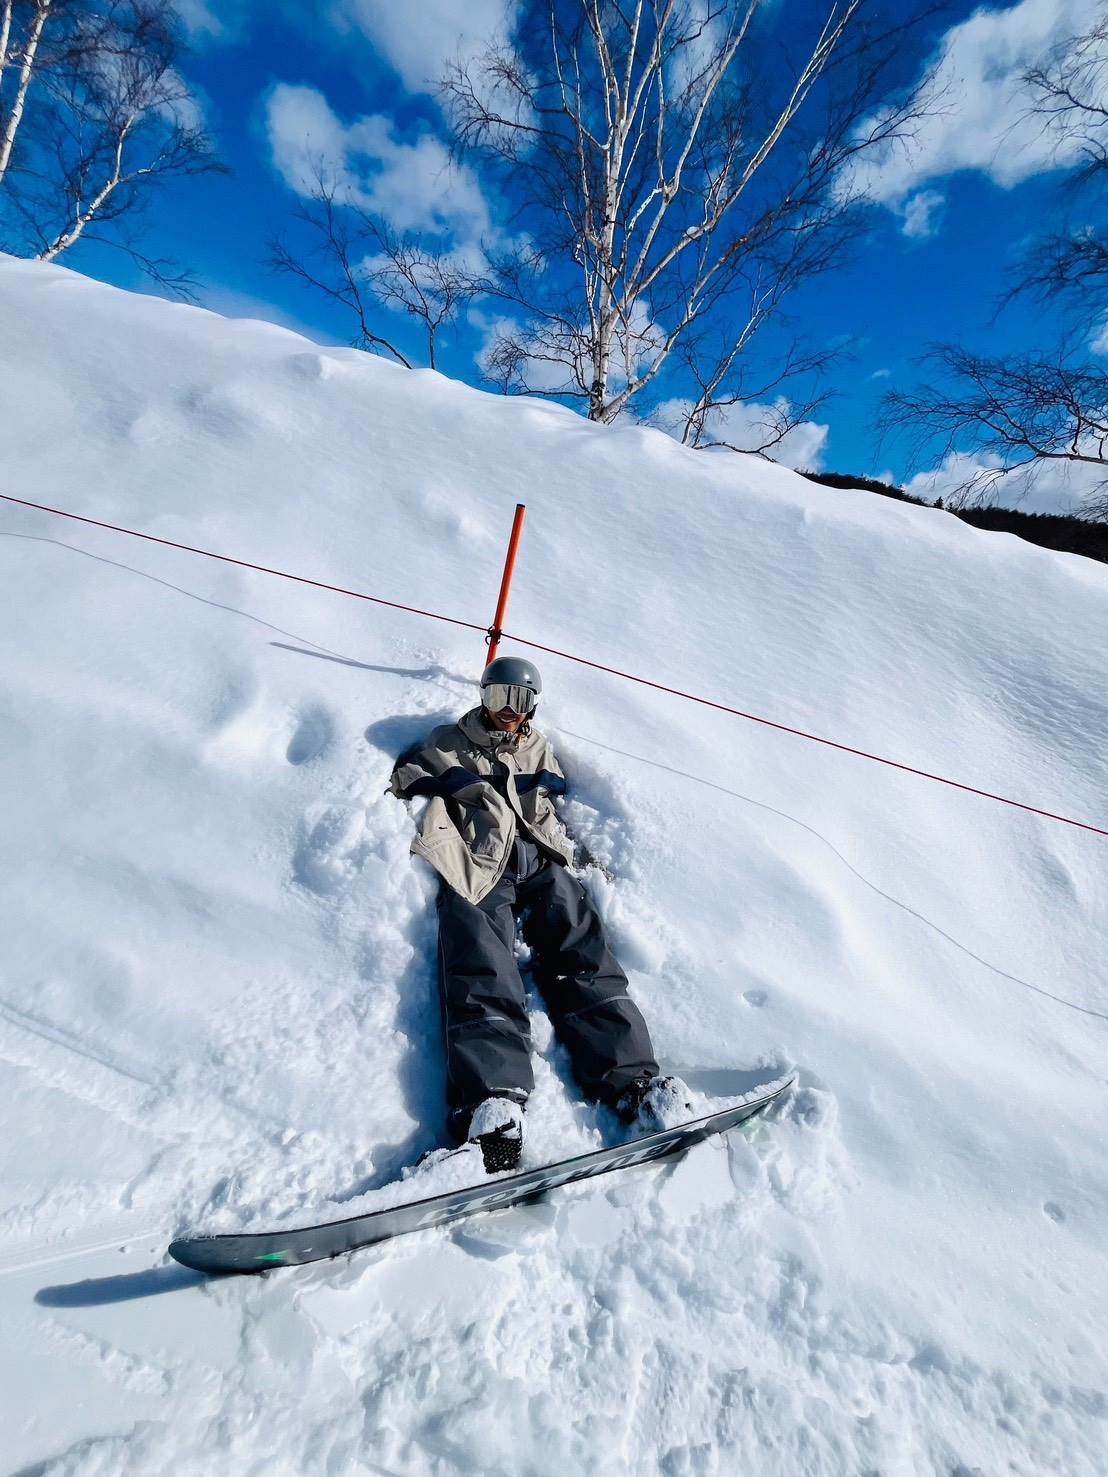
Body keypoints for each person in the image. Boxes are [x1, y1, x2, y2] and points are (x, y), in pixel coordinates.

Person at [389, 655, 690, 1173]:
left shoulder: (537, 747)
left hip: (539, 859)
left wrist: (576, 858)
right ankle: (494, 1103)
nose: (508, 712)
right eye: (499, 698)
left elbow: (550, 801)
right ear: (483, 697)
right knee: (482, 961)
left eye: (520, 701)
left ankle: (633, 1085)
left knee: (583, 950)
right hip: (480, 861)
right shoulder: (448, 741)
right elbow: (406, 776)